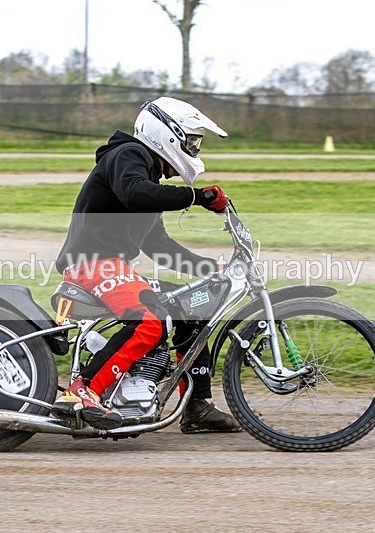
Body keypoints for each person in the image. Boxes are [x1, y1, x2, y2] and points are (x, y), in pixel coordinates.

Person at [51, 97, 241, 434]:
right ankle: (83, 391)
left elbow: (159, 246)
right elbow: (136, 193)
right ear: (168, 133)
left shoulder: (146, 180)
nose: (193, 149)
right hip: (92, 264)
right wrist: (197, 197)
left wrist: (208, 270)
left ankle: (197, 406)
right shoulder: (128, 156)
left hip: (113, 266)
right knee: (150, 321)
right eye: (191, 141)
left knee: (191, 305)